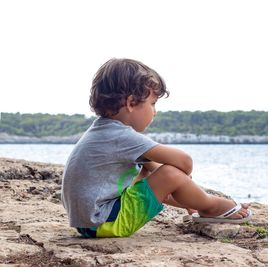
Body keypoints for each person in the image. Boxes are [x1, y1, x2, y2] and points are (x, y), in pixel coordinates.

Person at [61, 58, 252, 238]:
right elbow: (185, 162)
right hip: (104, 221)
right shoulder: (121, 136)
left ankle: (196, 205)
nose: (155, 111)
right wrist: (181, 177)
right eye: (152, 103)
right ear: (130, 103)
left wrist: (181, 190)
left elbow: (152, 178)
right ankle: (212, 206)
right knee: (171, 174)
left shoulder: (102, 131)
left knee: (151, 170)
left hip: (87, 224)